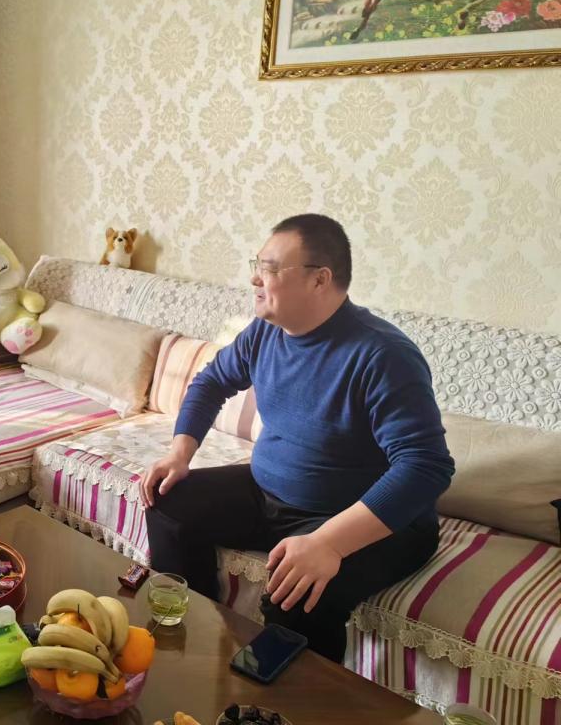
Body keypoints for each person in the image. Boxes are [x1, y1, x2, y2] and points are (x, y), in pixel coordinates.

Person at [139, 213, 454, 664]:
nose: (254, 278)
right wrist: (179, 453)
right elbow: (211, 382)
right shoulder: (265, 332)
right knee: (168, 501)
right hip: (269, 493)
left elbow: (426, 467)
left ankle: (289, 697)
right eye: (257, 265)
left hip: (362, 517)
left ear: (319, 279)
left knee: (298, 594)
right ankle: (198, 645)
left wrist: (329, 543)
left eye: (269, 268)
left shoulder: (383, 354)